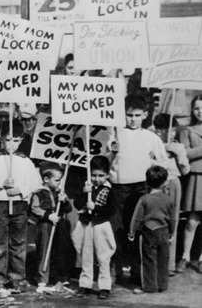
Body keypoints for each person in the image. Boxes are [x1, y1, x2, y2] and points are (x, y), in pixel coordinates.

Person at [108, 94, 169, 284]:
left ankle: (137, 271)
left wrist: (155, 176)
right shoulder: (115, 134)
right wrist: (112, 151)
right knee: (117, 228)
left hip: (141, 188)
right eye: (128, 115)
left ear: (144, 115)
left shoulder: (151, 137)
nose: (132, 119)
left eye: (136, 115)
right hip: (119, 187)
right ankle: (115, 270)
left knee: (137, 229)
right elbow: (103, 162)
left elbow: (163, 162)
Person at [0, 119, 42, 292]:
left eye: (16, 140)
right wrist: (2, 183)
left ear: (21, 140)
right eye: (8, 140)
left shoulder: (25, 161)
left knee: (18, 242)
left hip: (19, 205)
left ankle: (16, 276)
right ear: (1, 139)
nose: (11, 144)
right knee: (0, 242)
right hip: (0, 204)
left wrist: (20, 190)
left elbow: (35, 183)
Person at [73, 156, 116, 300]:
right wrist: (85, 193)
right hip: (87, 224)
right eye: (94, 175)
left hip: (101, 225)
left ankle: (104, 286)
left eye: (101, 175)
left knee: (103, 257)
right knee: (86, 255)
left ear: (107, 175)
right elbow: (78, 205)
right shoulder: (87, 187)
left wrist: (96, 207)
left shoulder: (109, 190)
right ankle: (85, 284)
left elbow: (111, 210)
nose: (97, 179)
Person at [152, 114, 189, 275]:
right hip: (156, 184)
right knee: (155, 220)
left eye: (174, 130)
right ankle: (153, 262)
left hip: (173, 182)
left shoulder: (178, 146)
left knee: (172, 220)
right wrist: (162, 154)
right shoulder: (152, 143)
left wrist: (178, 154)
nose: (172, 133)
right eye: (168, 130)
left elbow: (186, 170)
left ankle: (168, 264)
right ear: (158, 131)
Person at [129, 166, 175, 294]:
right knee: (163, 258)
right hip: (164, 230)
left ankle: (150, 286)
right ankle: (162, 284)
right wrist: (172, 232)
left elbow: (137, 218)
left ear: (147, 182)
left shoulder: (144, 199)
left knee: (149, 259)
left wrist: (132, 232)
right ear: (165, 182)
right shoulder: (168, 199)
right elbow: (173, 218)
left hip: (149, 231)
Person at [30, 163, 72, 289]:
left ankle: (60, 277)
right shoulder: (39, 193)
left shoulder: (59, 193)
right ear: (46, 179)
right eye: (57, 180)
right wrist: (48, 216)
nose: (59, 183)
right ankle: (42, 277)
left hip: (59, 225)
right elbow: (34, 208)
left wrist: (64, 201)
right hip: (45, 225)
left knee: (60, 249)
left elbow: (68, 208)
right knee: (44, 250)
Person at [178, 95, 202, 272]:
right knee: (192, 220)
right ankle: (185, 256)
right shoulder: (187, 130)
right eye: (196, 108)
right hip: (196, 178)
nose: (200, 112)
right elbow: (185, 154)